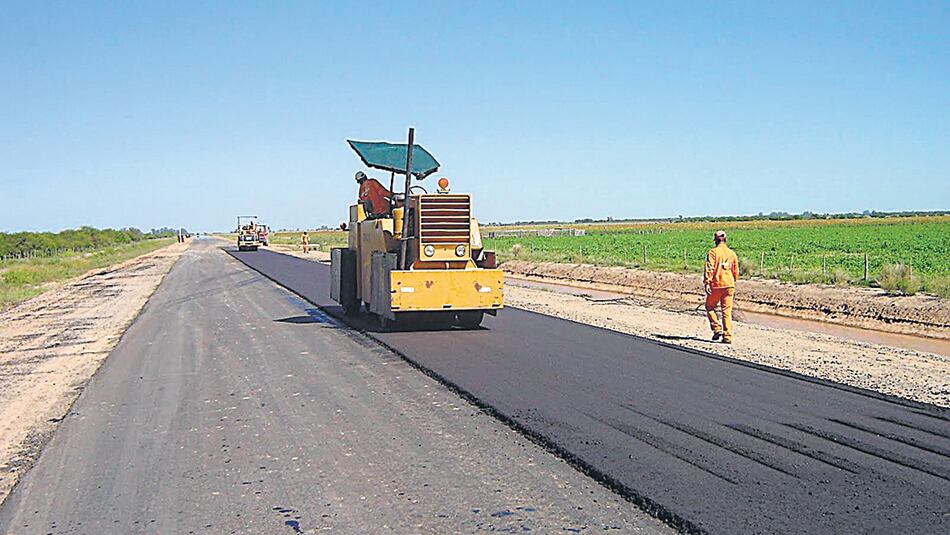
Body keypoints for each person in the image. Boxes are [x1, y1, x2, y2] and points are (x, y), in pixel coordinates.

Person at [703, 230, 739, 344]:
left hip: (716, 284)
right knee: (726, 312)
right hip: (729, 285)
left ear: (715, 240)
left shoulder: (713, 252)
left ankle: (717, 328)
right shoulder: (732, 253)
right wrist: (733, 281)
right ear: (725, 239)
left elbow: (709, 268)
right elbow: (736, 271)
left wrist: (707, 282)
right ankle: (727, 337)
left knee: (709, 307)